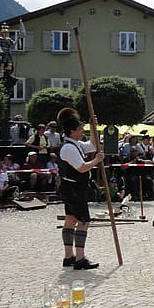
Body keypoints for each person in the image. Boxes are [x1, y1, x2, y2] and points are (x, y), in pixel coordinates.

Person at [57, 107, 103, 270]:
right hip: (74, 189)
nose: (82, 130)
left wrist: (93, 127)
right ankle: (80, 259)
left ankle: (69, 257)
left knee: (70, 220)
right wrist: (96, 161)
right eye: (80, 129)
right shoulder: (68, 148)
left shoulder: (75, 144)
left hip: (72, 188)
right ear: (73, 131)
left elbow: (93, 144)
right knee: (84, 221)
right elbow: (82, 168)